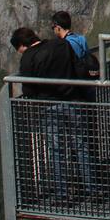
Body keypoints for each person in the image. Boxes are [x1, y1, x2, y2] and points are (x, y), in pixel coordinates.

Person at [11, 26, 95, 201]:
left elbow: (28, 88)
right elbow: (77, 67)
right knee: (81, 146)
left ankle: (63, 194)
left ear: (22, 45)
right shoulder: (61, 44)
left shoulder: (28, 57)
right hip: (72, 101)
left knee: (57, 150)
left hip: (48, 107)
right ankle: (92, 189)